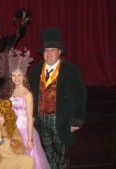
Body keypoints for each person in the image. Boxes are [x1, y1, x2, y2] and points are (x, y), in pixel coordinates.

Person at [29, 27, 87, 169]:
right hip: (41, 120)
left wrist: (76, 121)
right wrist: (32, 115)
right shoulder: (36, 71)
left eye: (52, 50)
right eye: (46, 51)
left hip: (61, 120)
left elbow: (80, 95)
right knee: (46, 154)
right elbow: (30, 95)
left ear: (59, 52)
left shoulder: (70, 70)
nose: (49, 54)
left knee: (61, 155)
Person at [8, 48, 50, 169]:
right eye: (14, 75)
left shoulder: (28, 94)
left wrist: (30, 139)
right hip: (12, 131)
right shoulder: (11, 91)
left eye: (19, 75)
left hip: (25, 131)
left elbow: (30, 118)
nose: (16, 78)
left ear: (24, 76)